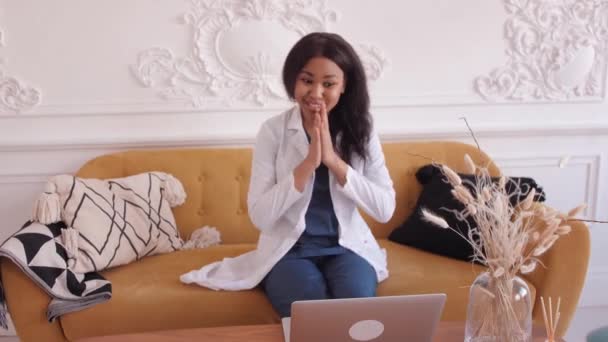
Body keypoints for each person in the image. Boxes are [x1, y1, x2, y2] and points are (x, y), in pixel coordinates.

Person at [180, 32, 396, 318]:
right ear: (293, 80)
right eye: (307, 81)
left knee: (358, 308)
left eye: (328, 84)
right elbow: (260, 215)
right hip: (289, 250)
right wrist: (308, 164)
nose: (316, 93)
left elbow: (384, 209)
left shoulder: (362, 131)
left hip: (347, 248)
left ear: (344, 86)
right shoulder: (273, 132)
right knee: (310, 313)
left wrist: (333, 161)